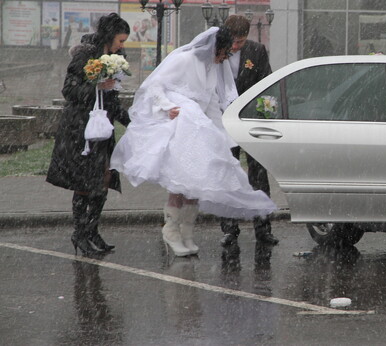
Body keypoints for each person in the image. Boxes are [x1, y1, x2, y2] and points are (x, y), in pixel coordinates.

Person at [110, 26, 277, 257]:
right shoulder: (185, 59)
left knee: (195, 184)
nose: (225, 58)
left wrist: (224, 137)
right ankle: (171, 230)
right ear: (216, 48)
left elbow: (211, 102)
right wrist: (168, 107)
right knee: (181, 181)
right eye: (225, 52)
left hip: (198, 127)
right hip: (180, 125)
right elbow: (156, 85)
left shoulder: (212, 66)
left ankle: (186, 231)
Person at [47, 12, 131, 256]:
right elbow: (69, 90)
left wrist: (130, 121)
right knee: (85, 183)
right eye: (121, 40)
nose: (122, 46)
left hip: (103, 127)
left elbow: (113, 98)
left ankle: (92, 230)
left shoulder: (116, 58)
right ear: (109, 36)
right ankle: (79, 234)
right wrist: (96, 87)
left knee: (103, 179)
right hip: (80, 128)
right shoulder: (85, 54)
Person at [219, 14, 279, 247]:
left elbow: (267, 84)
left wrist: (266, 114)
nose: (235, 47)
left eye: (240, 42)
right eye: (233, 42)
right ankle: (229, 229)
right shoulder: (215, 52)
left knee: (259, 176)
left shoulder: (257, 51)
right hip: (224, 123)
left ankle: (263, 228)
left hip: (250, 122)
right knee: (228, 176)